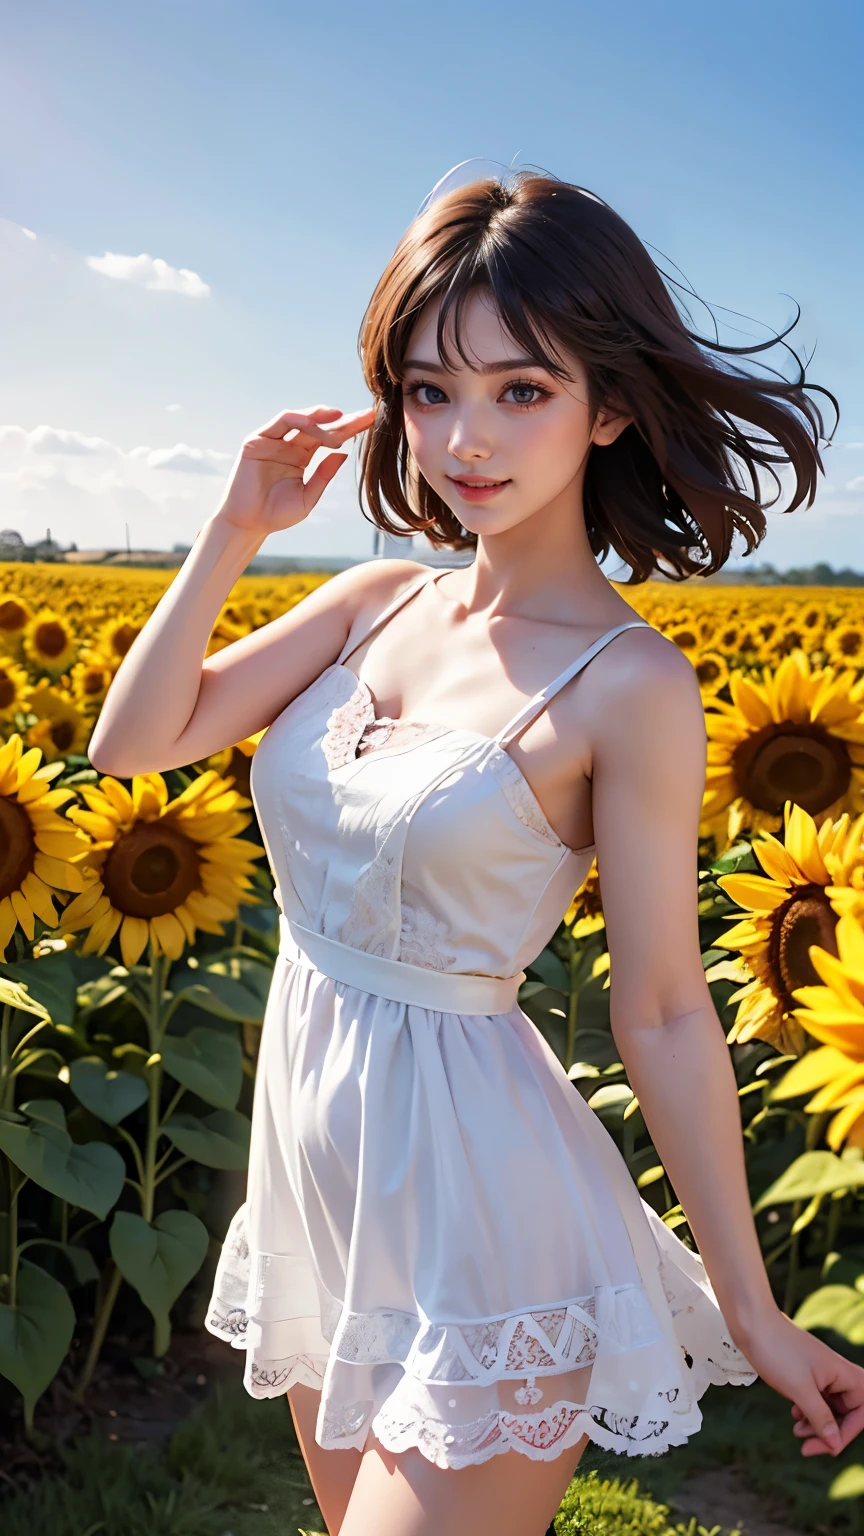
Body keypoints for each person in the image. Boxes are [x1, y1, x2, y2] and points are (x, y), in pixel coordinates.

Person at [89, 168, 864, 1536]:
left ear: (610, 408)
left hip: (487, 1216)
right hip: (325, 1190)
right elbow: (134, 744)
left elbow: (668, 1009)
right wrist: (235, 528)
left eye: (522, 390)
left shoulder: (630, 687)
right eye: (432, 388)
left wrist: (753, 1308)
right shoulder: (374, 598)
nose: (466, 439)